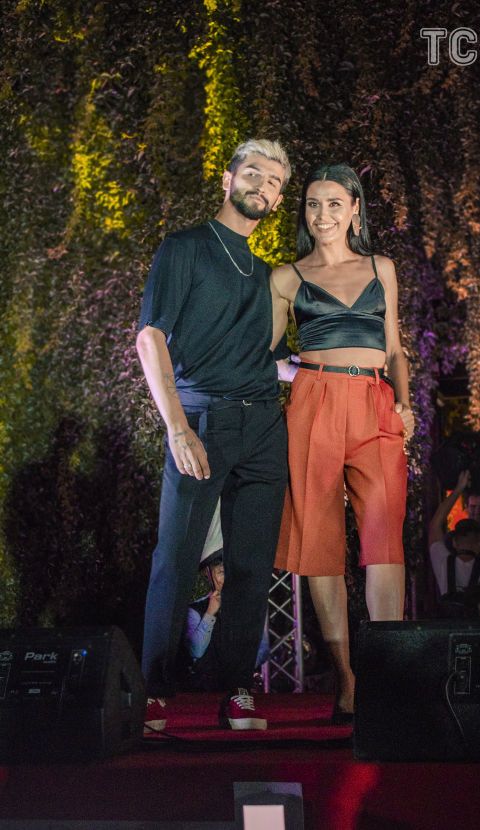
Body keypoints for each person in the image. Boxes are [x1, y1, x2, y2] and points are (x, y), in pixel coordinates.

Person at [137, 138, 291, 732]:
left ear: (278, 199)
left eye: (273, 181)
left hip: (264, 426)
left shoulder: (265, 273)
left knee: (251, 567)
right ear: (228, 179)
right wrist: (177, 427)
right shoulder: (186, 247)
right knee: (175, 559)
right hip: (203, 419)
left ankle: (237, 690)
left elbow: (268, 360)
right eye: (252, 173)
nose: (262, 185)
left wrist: (345, 369)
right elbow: (150, 338)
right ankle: (153, 692)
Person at [270, 163, 414, 721]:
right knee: (320, 545)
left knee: (384, 540)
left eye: (334, 203)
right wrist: (303, 375)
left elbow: (395, 348)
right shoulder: (287, 278)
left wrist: (404, 404)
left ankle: (386, 673)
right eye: (313, 204)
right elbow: (265, 354)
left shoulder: (382, 267)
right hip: (315, 406)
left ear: (355, 209)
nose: (322, 214)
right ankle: (348, 680)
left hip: (377, 402)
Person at [184, 548, 270, 691]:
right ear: (209, 574)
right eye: (222, 572)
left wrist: (241, 669)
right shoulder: (195, 610)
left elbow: (263, 648)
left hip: (238, 687)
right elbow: (196, 651)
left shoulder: (250, 607)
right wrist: (210, 613)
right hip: (203, 690)